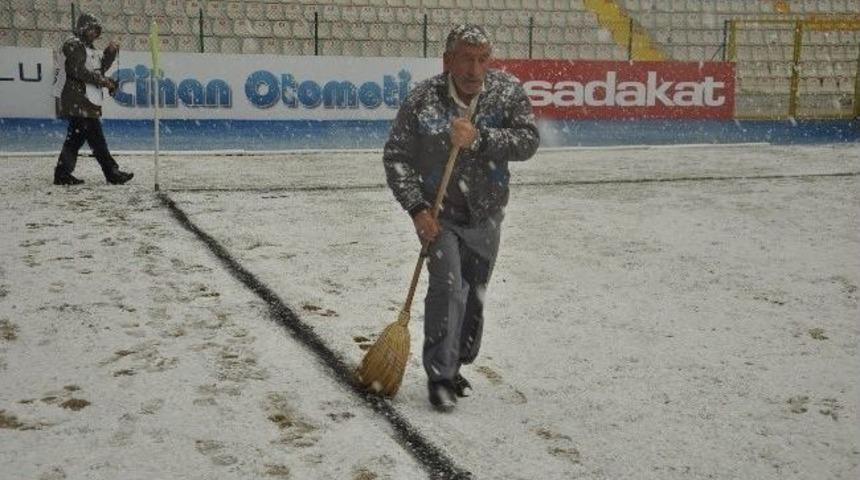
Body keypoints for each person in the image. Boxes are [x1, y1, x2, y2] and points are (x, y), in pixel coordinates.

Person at [383, 24, 539, 411]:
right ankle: (439, 375)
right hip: (441, 216)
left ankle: (457, 363)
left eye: (482, 59)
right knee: (447, 290)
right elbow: (397, 157)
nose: (474, 69)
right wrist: (418, 210)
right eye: (466, 59)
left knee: (473, 297)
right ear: (448, 60)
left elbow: (527, 141)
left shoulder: (506, 92)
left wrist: (480, 139)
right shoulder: (424, 100)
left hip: (486, 215)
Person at [53, 13, 133, 186]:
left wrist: (110, 53)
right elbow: (78, 71)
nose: (94, 33)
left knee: (76, 139)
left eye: (96, 30)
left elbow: (100, 68)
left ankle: (62, 174)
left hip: (85, 100)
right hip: (78, 99)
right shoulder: (73, 44)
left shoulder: (89, 48)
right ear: (82, 28)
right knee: (95, 138)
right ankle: (111, 172)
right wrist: (104, 81)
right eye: (91, 29)